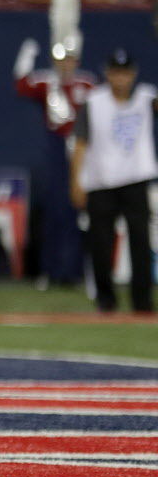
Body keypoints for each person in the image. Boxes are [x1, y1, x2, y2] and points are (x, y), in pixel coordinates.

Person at [70, 49, 157, 313]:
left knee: (141, 242)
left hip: (136, 178)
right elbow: (80, 143)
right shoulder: (94, 101)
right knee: (101, 244)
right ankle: (106, 300)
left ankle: (142, 302)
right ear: (107, 73)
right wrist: (76, 181)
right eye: (116, 72)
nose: (121, 79)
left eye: (126, 73)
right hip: (102, 180)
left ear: (133, 74)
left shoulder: (146, 97)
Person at [13, 33, 95, 285]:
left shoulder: (88, 84)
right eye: (61, 59)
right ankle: (52, 271)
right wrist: (26, 55)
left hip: (82, 148)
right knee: (54, 211)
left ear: (77, 60)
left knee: (78, 212)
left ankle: (75, 271)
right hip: (56, 147)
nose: (65, 65)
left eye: (69, 59)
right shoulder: (48, 82)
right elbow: (22, 84)